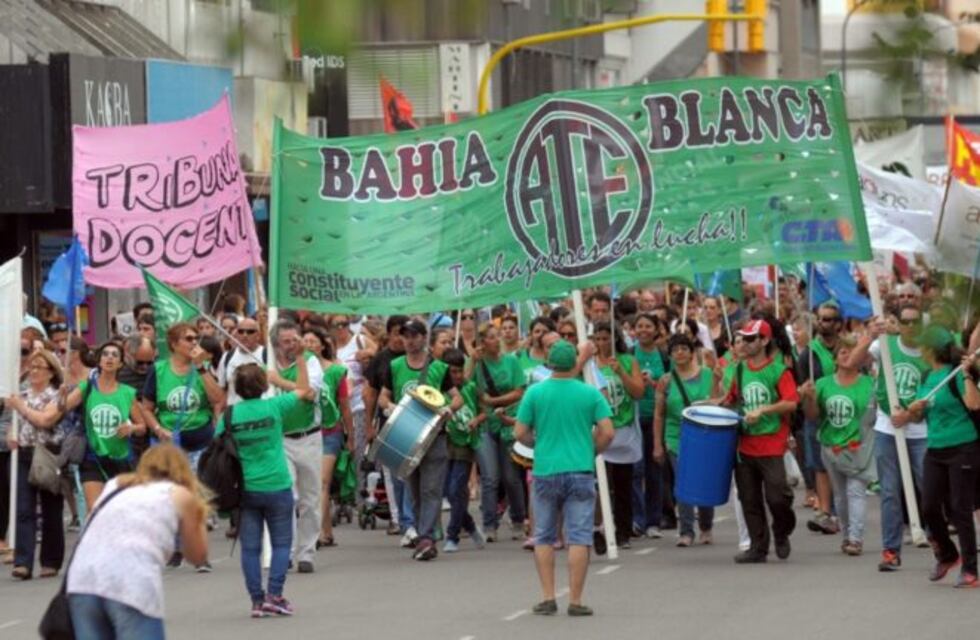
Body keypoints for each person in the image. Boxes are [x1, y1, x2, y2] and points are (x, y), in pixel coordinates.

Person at [515, 340, 615, 617]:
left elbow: (519, 432)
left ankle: (548, 596)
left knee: (544, 536)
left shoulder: (535, 393)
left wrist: (539, 443)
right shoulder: (590, 394)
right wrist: (591, 448)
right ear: (575, 363)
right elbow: (608, 432)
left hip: (546, 469)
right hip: (580, 468)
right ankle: (576, 599)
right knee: (579, 537)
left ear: (549, 363)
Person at [67, 444, 210, 637]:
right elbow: (198, 555)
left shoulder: (116, 485)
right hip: (130, 582)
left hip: (82, 579)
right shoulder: (179, 494)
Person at [217, 361, 314, 616]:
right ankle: (275, 594)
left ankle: (257, 601)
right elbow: (304, 390)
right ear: (263, 385)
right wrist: (300, 359)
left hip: (246, 488)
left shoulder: (229, 415)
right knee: (282, 544)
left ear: (237, 388)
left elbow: (216, 444)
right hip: (277, 484)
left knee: (250, 548)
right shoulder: (274, 406)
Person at [893, 326, 980, 588]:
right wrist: (913, 411)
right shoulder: (928, 376)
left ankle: (970, 569)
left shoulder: (957, 375)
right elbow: (920, 415)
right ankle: (947, 554)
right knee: (929, 506)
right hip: (936, 449)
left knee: (960, 508)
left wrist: (967, 374)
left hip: (963, 447)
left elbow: (974, 404)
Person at [846, 304, 930, 572]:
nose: (910, 327)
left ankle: (941, 546)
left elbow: (933, 392)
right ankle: (891, 550)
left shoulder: (930, 353)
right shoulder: (885, 345)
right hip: (886, 428)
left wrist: (909, 415)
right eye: (905, 322)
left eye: (916, 322)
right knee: (890, 492)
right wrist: (869, 335)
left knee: (930, 490)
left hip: (920, 431)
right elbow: (852, 362)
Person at [379, 319, 461, 560]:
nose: (410, 340)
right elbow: (383, 396)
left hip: (433, 435)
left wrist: (448, 409)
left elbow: (457, 397)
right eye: (406, 336)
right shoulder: (394, 366)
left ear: (424, 338)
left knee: (431, 489)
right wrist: (390, 407)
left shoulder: (438, 368)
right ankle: (423, 533)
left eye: (414, 336)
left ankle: (425, 536)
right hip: (405, 435)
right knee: (413, 491)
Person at [722, 319, 799, 563]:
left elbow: (791, 402)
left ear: (764, 341)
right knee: (749, 498)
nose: (745, 343)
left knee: (778, 496)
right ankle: (758, 547)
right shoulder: (739, 370)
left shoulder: (778, 370)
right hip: (745, 444)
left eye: (751, 338)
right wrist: (712, 404)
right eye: (743, 338)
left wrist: (764, 410)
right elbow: (732, 399)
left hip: (772, 442)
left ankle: (781, 529)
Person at [800, 336, 876, 557]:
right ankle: (846, 534)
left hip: (858, 449)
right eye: (842, 351)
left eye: (851, 351)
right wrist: (810, 398)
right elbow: (812, 415)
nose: (846, 355)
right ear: (834, 359)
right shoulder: (823, 384)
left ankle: (856, 539)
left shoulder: (869, 383)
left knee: (856, 492)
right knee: (841, 497)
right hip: (831, 449)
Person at [268, 319, 324, 574]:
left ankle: (307, 553)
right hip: (281, 439)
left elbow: (308, 392)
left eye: (295, 340)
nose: (292, 345)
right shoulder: (267, 364)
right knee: (287, 496)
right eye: (286, 341)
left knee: (310, 498)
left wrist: (279, 381)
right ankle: (286, 551)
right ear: (276, 344)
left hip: (309, 437)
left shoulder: (311, 361)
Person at [654, 333, 718, 547]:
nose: (679, 353)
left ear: (692, 352)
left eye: (684, 348)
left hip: (705, 435)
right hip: (676, 437)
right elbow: (659, 414)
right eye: (675, 350)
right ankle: (687, 530)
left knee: (704, 480)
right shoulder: (665, 381)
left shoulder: (708, 374)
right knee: (683, 483)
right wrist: (657, 444)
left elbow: (721, 400)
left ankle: (706, 526)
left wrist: (709, 399)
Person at [63, 341, 145, 509]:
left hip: (120, 459)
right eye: (105, 354)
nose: (109, 358)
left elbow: (142, 427)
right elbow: (62, 408)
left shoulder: (128, 393)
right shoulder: (87, 387)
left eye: (115, 355)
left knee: (120, 510)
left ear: (120, 363)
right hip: (92, 457)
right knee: (95, 509)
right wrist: (62, 396)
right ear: (99, 361)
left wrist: (132, 428)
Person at [5, 349, 64, 579]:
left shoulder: (55, 395)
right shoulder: (22, 394)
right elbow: (15, 423)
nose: (34, 371)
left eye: (40, 367)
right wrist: (11, 434)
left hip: (48, 452)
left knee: (51, 508)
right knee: (23, 508)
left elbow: (45, 419)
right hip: (24, 453)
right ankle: (23, 562)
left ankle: (50, 560)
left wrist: (21, 407)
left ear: (50, 372)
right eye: (32, 366)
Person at [469, 322, 527, 543]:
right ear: (483, 343)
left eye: (497, 335)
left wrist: (494, 401)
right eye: (491, 337)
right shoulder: (477, 363)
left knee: (511, 478)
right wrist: (472, 361)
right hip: (486, 425)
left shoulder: (512, 361)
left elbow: (519, 391)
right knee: (490, 478)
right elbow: (465, 384)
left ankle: (519, 519)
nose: (496, 339)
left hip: (508, 423)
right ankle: (489, 523)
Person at [591, 321, 644, 549]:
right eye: (598, 338)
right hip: (600, 431)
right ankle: (600, 528)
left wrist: (621, 372)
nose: (602, 343)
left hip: (623, 430)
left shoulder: (627, 361)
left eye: (606, 338)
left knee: (622, 484)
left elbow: (638, 392)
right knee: (600, 483)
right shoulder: (590, 365)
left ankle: (623, 530)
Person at [141, 323, 224, 468]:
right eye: (188, 339)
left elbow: (218, 399)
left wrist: (200, 368)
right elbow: (146, 408)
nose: (194, 342)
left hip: (201, 446)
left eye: (196, 339)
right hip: (169, 448)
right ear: (174, 344)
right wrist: (158, 429)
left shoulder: (204, 366)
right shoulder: (158, 369)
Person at [796, 302, 844, 536]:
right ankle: (826, 513)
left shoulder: (847, 348)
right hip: (817, 415)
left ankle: (841, 511)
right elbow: (800, 384)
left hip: (843, 416)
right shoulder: (809, 352)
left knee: (841, 465)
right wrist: (805, 392)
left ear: (838, 324)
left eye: (828, 319)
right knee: (820, 465)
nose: (823, 323)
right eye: (821, 319)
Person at [302, 327, 352, 548]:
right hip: (305, 433)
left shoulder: (336, 372)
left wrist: (350, 435)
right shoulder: (297, 370)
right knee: (313, 484)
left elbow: (344, 405)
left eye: (313, 341)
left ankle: (316, 534)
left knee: (322, 482)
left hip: (330, 432)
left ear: (322, 345)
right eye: (306, 342)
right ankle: (327, 531)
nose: (309, 345)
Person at [441, 348, 486, 553]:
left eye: (459, 371)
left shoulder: (471, 388)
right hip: (445, 444)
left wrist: (476, 421)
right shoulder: (441, 391)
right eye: (452, 372)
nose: (457, 376)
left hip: (465, 446)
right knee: (450, 492)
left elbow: (485, 411)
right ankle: (470, 525)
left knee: (455, 489)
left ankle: (453, 536)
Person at [632, 313, 670, 539]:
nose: (643, 330)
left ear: (656, 330)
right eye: (639, 326)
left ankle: (653, 521)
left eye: (648, 326)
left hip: (657, 419)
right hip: (633, 419)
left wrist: (653, 383)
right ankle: (637, 518)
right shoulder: (628, 354)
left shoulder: (664, 357)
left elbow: (670, 388)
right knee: (635, 471)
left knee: (654, 471)